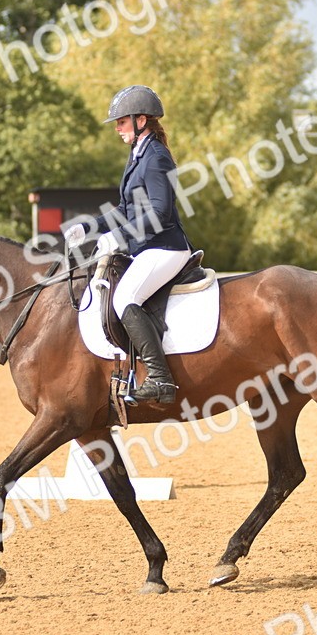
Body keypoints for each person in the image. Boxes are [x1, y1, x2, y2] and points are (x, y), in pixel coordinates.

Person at [64, 85, 192, 404]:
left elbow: (161, 212)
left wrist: (120, 237)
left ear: (141, 120)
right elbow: (124, 210)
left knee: (125, 298)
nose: (117, 129)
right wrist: (89, 228)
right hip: (148, 248)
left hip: (167, 248)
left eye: (121, 122)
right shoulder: (138, 156)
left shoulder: (156, 157)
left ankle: (161, 379)